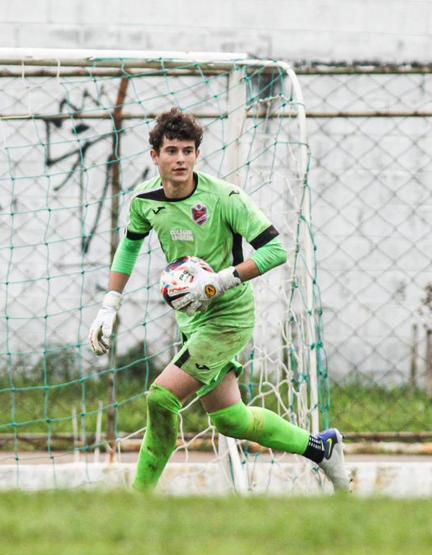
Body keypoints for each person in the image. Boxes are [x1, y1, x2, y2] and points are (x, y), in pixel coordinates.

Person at [88, 108, 350, 493]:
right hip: (193, 319)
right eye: (172, 151)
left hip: (228, 314)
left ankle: (137, 500)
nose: (180, 159)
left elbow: (275, 250)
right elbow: (128, 249)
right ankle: (321, 448)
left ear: (197, 155)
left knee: (161, 397)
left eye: (188, 151)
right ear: (155, 156)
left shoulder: (225, 197)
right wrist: (109, 305)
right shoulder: (144, 202)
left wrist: (217, 283)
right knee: (231, 420)